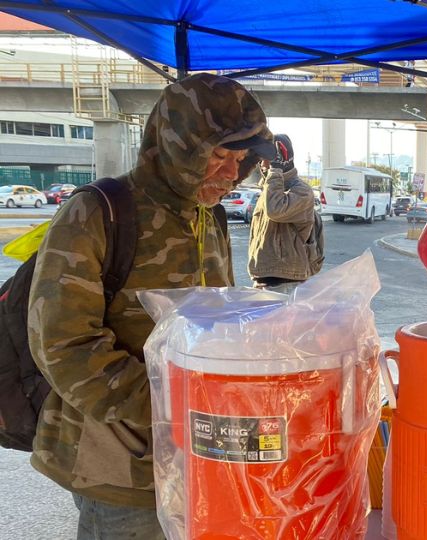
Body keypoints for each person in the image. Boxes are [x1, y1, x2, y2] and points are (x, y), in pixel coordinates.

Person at [27, 73, 275, 539]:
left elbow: (215, 321)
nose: (230, 173)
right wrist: (176, 407)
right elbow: (62, 344)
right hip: (118, 464)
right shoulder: (98, 211)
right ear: (177, 144)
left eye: (240, 159)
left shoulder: (211, 215)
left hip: (200, 450)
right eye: (218, 155)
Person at [248, 133, 324, 293]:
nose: (262, 164)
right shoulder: (269, 190)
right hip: (264, 280)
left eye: (265, 158)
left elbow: (275, 210)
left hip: (286, 283)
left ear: (280, 159)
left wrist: (275, 171)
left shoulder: (302, 191)